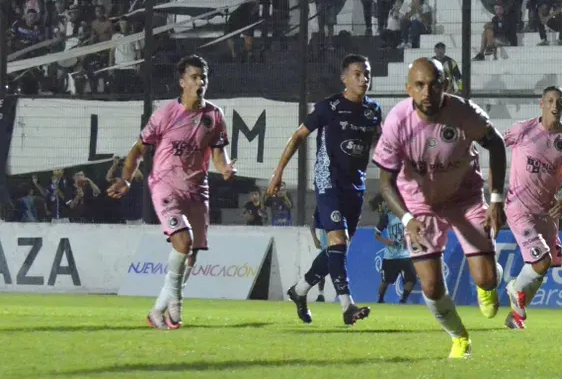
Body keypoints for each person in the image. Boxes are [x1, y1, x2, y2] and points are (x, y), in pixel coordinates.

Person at [372, 58, 507, 358]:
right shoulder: (397, 122)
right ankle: (459, 338)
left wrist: (496, 199)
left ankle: (491, 278)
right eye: (419, 85)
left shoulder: (464, 113)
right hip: (419, 204)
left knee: (485, 279)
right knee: (431, 286)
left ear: (445, 85)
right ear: (408, 89)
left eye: (434, 85)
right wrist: (406, 219)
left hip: (465, 198)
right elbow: (385, 183)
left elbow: (496, 144)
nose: (427, 92)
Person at [107, 55, 236, 329]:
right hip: (165, 185)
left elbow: (218, 153)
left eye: (203, 77)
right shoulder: (165, 114)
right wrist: (126, 180)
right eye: (194, 77)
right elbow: (138, 150)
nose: (200, 82)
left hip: (197, 189)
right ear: (182, 82)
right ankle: (177, 302)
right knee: (183, 242)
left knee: (191, 255)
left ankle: (157, 311)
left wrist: (225, 168)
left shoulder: (214, 116)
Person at [267, 54, 382, 325]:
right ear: (344, 78)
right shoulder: (329, 107)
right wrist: (278, 173)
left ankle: (300, 290)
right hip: (328, 179)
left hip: (356, 185)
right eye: (357, 74)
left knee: (337, 249)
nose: (364, 79)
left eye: (367, 74)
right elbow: (298, 136)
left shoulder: (373, 110)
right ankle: (347, 306)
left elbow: (382, 142)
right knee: (338, 242)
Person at [502, 86, 562, 330]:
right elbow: (496, 145)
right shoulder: (523, 129)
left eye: (559, 101)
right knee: (541, 261)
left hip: (547, 211)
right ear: (541, 104)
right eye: (550, 100)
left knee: (545, 265)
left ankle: (515, 316)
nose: (555, 105)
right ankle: (514, 288)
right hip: (519, 207)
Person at [370, 194, 416, 304]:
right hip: (391, 255)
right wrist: (388, 242)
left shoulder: (407, 217)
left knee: (411, 279)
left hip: (405, 254)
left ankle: (403, 300)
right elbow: (376, 234)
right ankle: (380, 299)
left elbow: (413, 230)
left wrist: (408, 238)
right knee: (386, 281)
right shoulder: (387, 217)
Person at [308, 209, 329, 302]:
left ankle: (343, 295)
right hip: (324, 246)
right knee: (320, 270)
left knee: (338, 271)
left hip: (336, 245)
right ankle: (321, 294)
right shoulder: (321, 207)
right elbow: (312, 225)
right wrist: (315, 239)